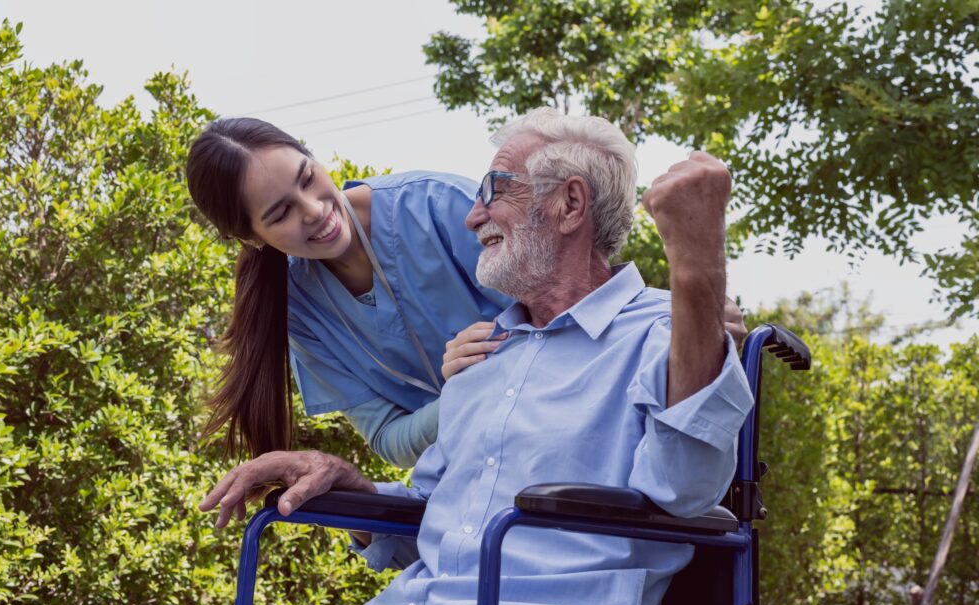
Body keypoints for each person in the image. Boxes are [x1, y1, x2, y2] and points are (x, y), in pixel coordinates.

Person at [173, 108, 755, 605]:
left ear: (570, 204)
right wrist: (346, 480)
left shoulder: (661, 332)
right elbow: (433, 516)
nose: (472, 216)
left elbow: (685, 489)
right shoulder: (479, 360)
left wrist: (696, 276)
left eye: (493, 192)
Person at [186, 119, 749, 475]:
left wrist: (689, 311)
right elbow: (390, 438)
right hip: (473, 474)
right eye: (280, 213)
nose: (314, 211)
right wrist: (464, 393)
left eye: (308, 179)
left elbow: (575, 283)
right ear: (249, 237)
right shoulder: (298, 310)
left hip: (567, 449)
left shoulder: (436, 206)